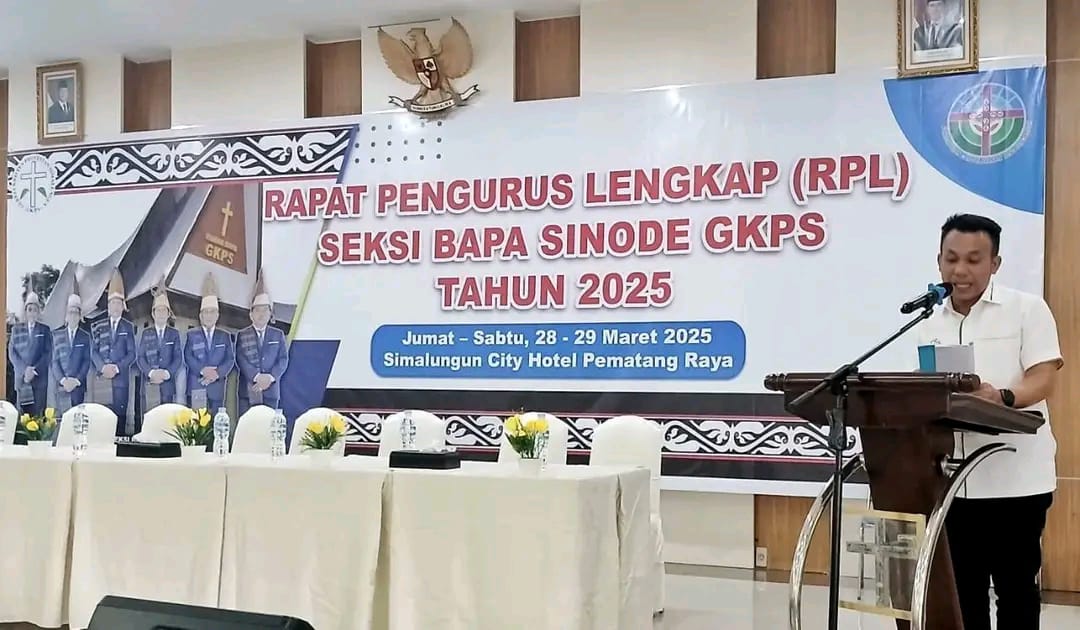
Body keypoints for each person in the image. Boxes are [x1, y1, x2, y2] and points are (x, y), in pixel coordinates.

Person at [915, 213, 1061, 630]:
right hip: (952, 484)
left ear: (995, 263)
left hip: (1016, 479)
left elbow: (1044, 377)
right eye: (951, 259)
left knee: (1016, 591)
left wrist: (1004, 398)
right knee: (963, 593)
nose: (960, 270)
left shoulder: (1026, 309)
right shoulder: (928, 321)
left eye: (973, 260)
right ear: (939, 261)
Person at [90, 270, 137, 436]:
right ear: (108, 306)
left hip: (120, 379)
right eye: (113, 303)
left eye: (118, 303)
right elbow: (93, 351)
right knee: (103, 418)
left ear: (123, 306)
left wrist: (116, 368)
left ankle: (119, 446)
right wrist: (103, 367)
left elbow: (131, 353)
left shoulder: (128, 327)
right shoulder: (98, 326)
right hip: (102, 378)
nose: (115, 307)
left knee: (119, 419)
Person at [235, 271, 289, 416]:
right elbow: (240, 359)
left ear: (270, 313)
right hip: (248, 391)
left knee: (269, 426)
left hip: (271, 391)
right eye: (258, 310)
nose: (261, 314)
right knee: (248, 426)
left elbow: (283, 360)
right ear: (251, 314)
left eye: (265, 310)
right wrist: (257, 377)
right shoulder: (242, 335)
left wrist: (269, 378)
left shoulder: (278, 335)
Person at [184, 273, 234, 413]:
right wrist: (203, 370)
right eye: (206, 312)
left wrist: (217, 373)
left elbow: (230, 359)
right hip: (197, 386)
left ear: (217, 315)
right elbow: (188, 356)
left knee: (216, 422)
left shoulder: (224, 336)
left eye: (212, 312)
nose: (209, 315)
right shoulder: (191, 335)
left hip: (217, 387)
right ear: (200, 316)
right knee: (197, 423)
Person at [136, 278, 184, 414]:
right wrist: (151, 373)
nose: (161, 314)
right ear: (153, 313)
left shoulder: (174, 334)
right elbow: (140, 357)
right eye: (158, 310)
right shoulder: (146, 333)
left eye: (164, 311)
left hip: (167, 385)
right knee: (150, 417)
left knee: (165, 418)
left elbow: (178, 358)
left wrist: (166, 374)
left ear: (168, 314)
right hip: (150, 383)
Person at [8, 290, 52, 415]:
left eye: (35, 310)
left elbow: (48, 353)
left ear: (38, 312)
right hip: (22, 379)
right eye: (29, 309)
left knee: (38, 415)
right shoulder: (16, 330)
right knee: (23, 416)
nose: (32, 313)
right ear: (25, 311)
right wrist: (25, 370)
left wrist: (34, 370)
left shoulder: (44, 330)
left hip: (39, 379)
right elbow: (12, 352)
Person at [51, 280, 92, 414]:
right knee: (62, 419)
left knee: (76, 419)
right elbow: (54, 362)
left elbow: (86, 361)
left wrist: (76, 380)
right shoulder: (57, 336)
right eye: (70, 312)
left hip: (78, 387)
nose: (73, 316)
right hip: (61, 386)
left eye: (76, 313)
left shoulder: (85, 336)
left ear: (80, 316)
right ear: (66, 316)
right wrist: (63, 380)